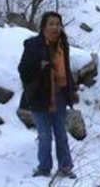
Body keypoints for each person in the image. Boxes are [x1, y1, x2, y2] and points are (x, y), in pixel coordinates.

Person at [18, 11, 79, 179]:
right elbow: (23, 70)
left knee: (61, 133)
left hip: (59, 95)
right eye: (51, 23)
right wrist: (40, 66)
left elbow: (65, 69)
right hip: (39, 96)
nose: (55, 27)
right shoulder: (32, 45)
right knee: (44, 135)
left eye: (58, 24)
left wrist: (72, 89)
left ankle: (65, 167)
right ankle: (44, 168)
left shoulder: (62, 44)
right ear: (43, 26)